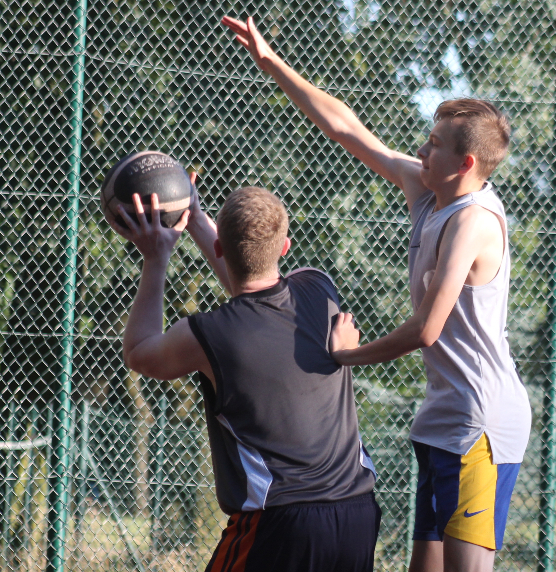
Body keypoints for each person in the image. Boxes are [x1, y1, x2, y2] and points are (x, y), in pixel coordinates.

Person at [222, 15, 531, 572]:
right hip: (444, 411)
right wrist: (272, 63)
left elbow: (427, 329)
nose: (421, 150)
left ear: (465, 164)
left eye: (433, 144)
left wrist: (345, 356)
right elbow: (347, 129)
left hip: (481, 419)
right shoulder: (428, 189)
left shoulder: (474, 222)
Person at [110, 185, 379, 572]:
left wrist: (156, 257)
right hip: (356, 512)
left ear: (220, 249)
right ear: (284, 247)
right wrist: (200, 223)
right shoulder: (319, 290)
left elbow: (139, 353)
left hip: (281, 521)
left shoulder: (208, 334)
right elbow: (258, 288)